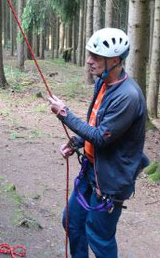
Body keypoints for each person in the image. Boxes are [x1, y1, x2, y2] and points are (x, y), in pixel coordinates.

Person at [48, 27, 149, 258]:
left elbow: (101, 137)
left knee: (99, 237)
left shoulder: (128, 97)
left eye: (96, 57)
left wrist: (64, 114)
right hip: (91, 170)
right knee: (72, 222)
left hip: (111, 182)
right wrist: (76, 142)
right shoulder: (103, 84)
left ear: (114, 60)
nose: (89, 61)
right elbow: (94, 127)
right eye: (89, 54)